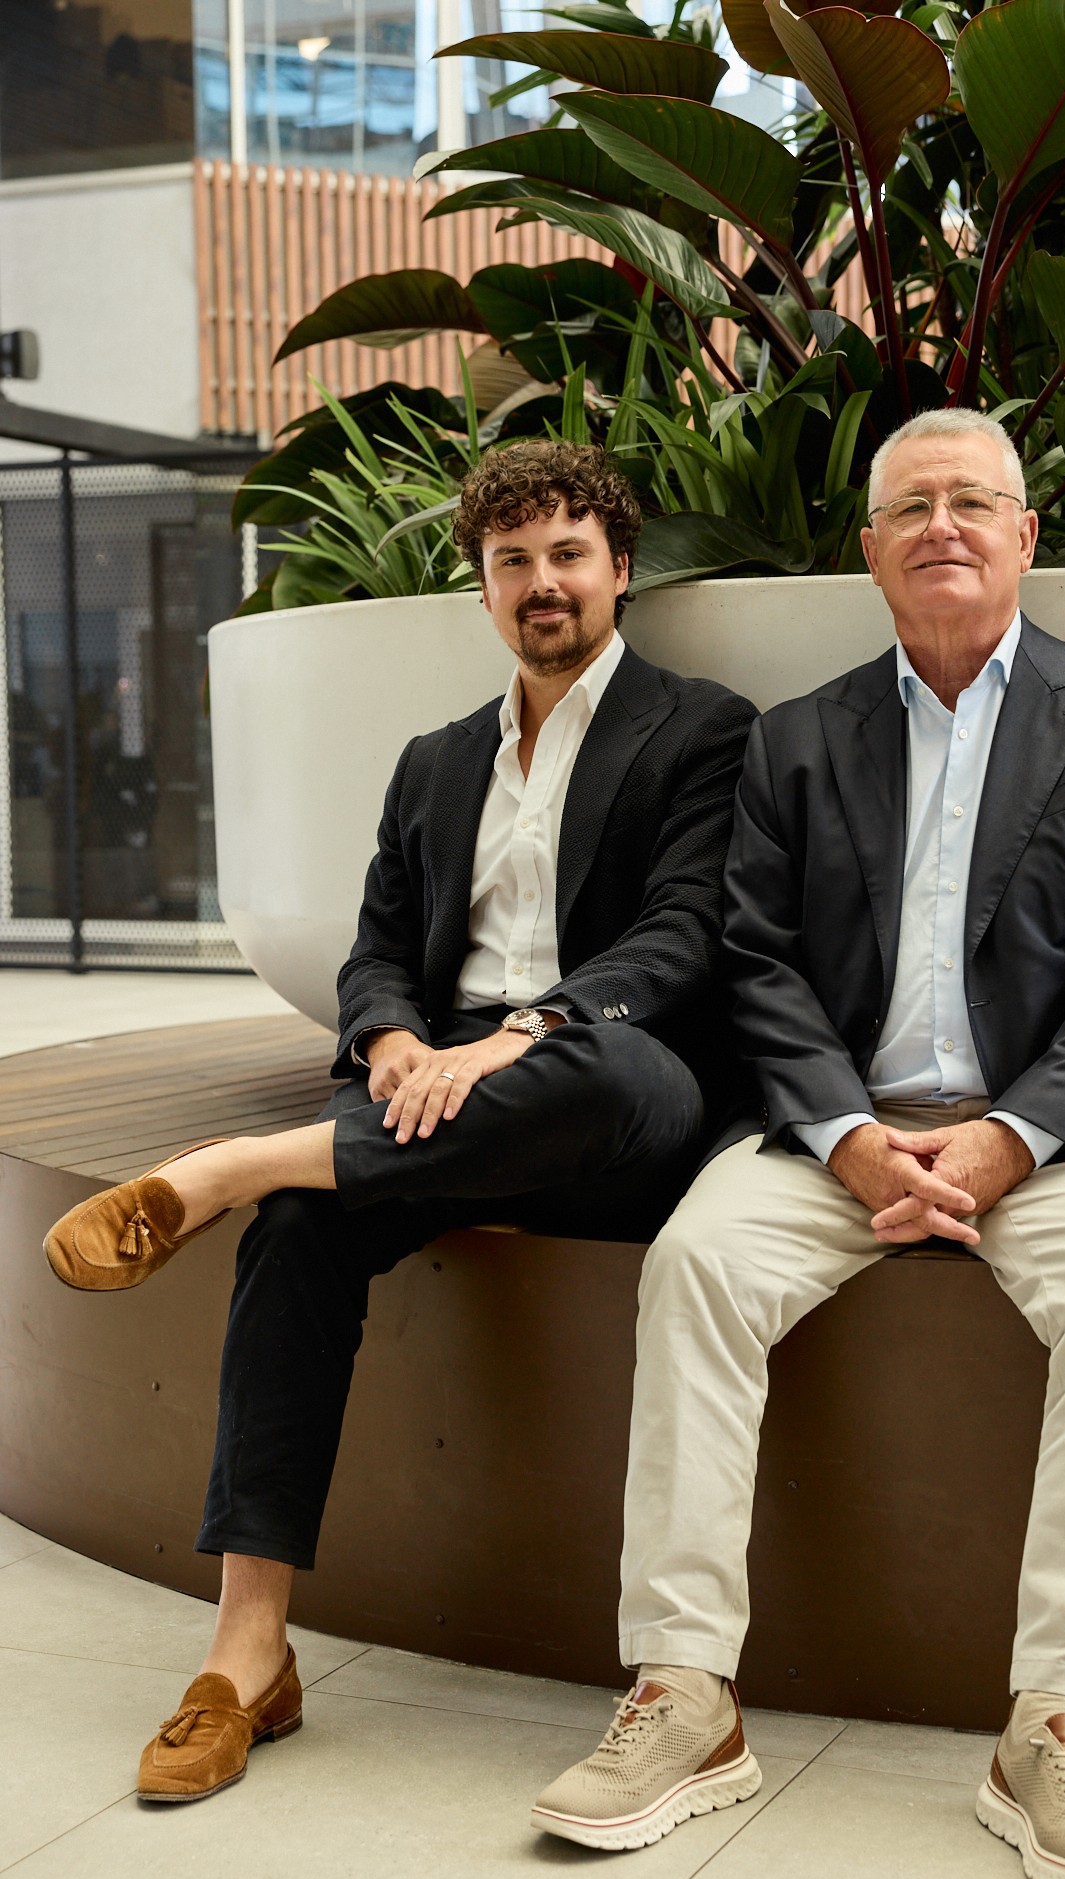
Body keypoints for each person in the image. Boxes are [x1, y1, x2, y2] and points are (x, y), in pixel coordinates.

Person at [533, 410, 1065, 1879]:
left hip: (1057, 1138)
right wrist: (844, 1137)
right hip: (828, 1131)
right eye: (913, 505)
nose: (944, 524)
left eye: (976, 501)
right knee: (699, 1261)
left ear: (1026, 537)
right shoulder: (797, 736)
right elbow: (756, 961)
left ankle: (1052, 1717)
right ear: (869, 550)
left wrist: (1010, 1140)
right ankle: (686, 1694)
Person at [44, 439, 757, 1806]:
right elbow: (375, 954)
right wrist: (389, 1042)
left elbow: (684, 941)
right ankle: (247, 1653)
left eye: (565, 554)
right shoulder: (436, 762)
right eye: (511, 563)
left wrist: (511, 1039)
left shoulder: (704, 728)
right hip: (425, 1099)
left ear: (619, 566)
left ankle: (229, 1169)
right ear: (480, 588)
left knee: (599, 1076)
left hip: (603, 1085)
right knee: (301, 1230)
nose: (541, 583)